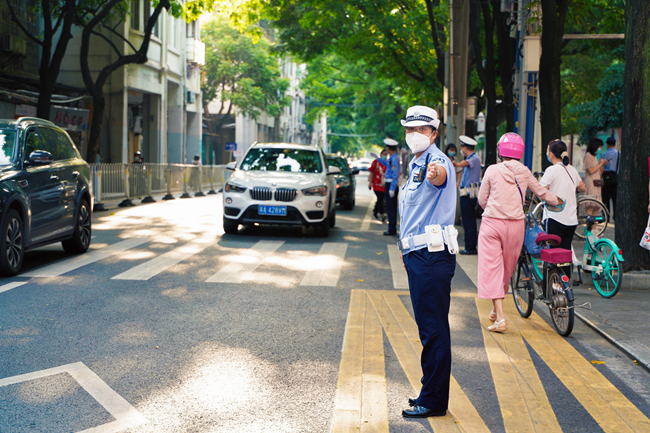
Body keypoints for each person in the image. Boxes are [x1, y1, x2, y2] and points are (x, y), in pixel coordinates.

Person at [396, 105, 456, 419]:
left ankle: (433, 400)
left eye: (420, 130)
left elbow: (440, 177)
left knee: (433, 329)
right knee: (427, 328)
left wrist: (436, 175)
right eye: (410, 129)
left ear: (434, 132)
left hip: (432, 255)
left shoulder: (436, 161)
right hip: (418, 255)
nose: (414, 135)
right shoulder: (417, 162)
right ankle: (428, 390)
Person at [477, 133, 560, 333]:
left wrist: (494, 209)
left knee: (492, 269)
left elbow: (482, 199)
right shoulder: (524, 171)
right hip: (516, 226)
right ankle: (496, 311)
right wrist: (558, 201)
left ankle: (501, 319)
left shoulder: (491, 170)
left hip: (492, 225)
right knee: (506, 270)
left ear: (500, 150)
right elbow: (541, 192)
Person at [539, 139, 586, 277]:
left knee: (554, 253)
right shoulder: (571, 169)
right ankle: (566, 284)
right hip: (571, 220)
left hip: (555, 218)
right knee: (565, 252)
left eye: (548, 150)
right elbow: (583, 187)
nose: (547, 153)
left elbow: (541, 190)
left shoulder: (551, 170)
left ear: (552, 154)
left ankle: (555, 285)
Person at [453, 136, 481, 255]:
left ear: (465, 148)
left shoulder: (474, 159)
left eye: (462, 147)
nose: (461, 149)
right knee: (468, 221)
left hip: (469, 195)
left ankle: (470, 247)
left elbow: (465, 163)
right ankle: (470, 245)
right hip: (466, 194)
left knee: (469, 222)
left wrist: (457, 164)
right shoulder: (472, 158)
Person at [583, 137, 608, 216]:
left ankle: (593, 226)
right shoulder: (588, 155)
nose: (600, 149)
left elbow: (597, 170)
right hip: (591, 183)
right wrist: (600, 164)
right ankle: (588, 226)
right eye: (599, 147)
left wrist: (602, 165)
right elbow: (591, 171)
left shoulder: (594, 156)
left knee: (596, 206)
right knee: (590, 205)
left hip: (596, 182)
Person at [384, 138, 400, 235]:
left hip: (390, 184)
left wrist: (392, 188)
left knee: (391, 208)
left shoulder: (394, 158)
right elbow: (388, 166)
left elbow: (395, 173)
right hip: (389, 183)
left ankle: (392, 229)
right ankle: (391, 228)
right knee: (390, 207)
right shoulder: (392, 157)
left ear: (388, 148)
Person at [600, 137, 620, 219]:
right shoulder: (619, 153)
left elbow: (601, 167)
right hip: (616, 178)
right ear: (615, 144)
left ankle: (605, 216)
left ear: (607, 145)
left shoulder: (603, 154)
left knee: (605, 199)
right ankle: (616, 216)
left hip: (606, 178)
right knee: (615, 199)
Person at [368, 148, 388, 220]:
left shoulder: (387, 163)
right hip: (376, 184)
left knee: (380, 199)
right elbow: (371, 172)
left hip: (384, 185)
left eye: (386, 155)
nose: (384, 156)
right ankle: (382, 214)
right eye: (383, 155)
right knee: (380, 198)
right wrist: (370, 183)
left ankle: (375, 211)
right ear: (380, 155)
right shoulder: (376, 162)